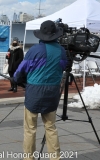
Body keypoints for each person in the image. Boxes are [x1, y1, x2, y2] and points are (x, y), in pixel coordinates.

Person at [13, 20, 67, 160]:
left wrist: (18, 79)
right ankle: (55, 157)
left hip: (34, 92)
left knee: (30, 129)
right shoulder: (61, 51)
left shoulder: (34, 50)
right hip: (52, 92)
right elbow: (63, 67)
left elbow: (19, 72)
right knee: (51, 127)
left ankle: (29, 157)